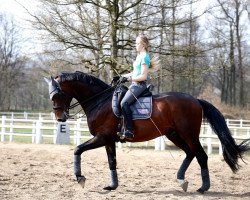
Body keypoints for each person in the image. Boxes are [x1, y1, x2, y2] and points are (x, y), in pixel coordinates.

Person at [120, 34, 158, 140]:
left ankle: (129, 130)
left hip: (139, 85)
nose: (135, 45)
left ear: (143, 45)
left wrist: (128, 79)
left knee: (124, 103)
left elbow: (143, 76)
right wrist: (121, 77)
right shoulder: (139, 56)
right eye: (135, 43)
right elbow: (135, 72)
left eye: (137, 43)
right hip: (134, 84)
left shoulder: (145, 57)